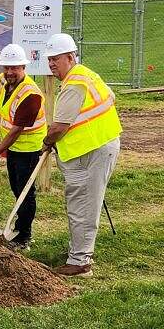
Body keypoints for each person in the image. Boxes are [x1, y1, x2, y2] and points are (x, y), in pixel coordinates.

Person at [42, 33, 122, 277]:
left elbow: (59, 126)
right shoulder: (87, 75)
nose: (52, 64)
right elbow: (111, 97)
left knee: (83, 206)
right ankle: (78, 252)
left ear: (70, 56)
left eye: (56, 59)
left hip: (92, 151)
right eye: (49, 60)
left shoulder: (75, 83)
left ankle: (80, 261)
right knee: (84, 203)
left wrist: (47, 141)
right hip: (97, 145)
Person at [0, 44, 47, 251]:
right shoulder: (3, 81)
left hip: (28, 148)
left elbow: (15, 130)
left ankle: (24, 235)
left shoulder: (31, 95)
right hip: (13, 148)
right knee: (15, 188)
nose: (10, 72)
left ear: (23, 67)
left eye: (14, 68)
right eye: (6, 68)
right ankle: (20, 228)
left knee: (25, 192)